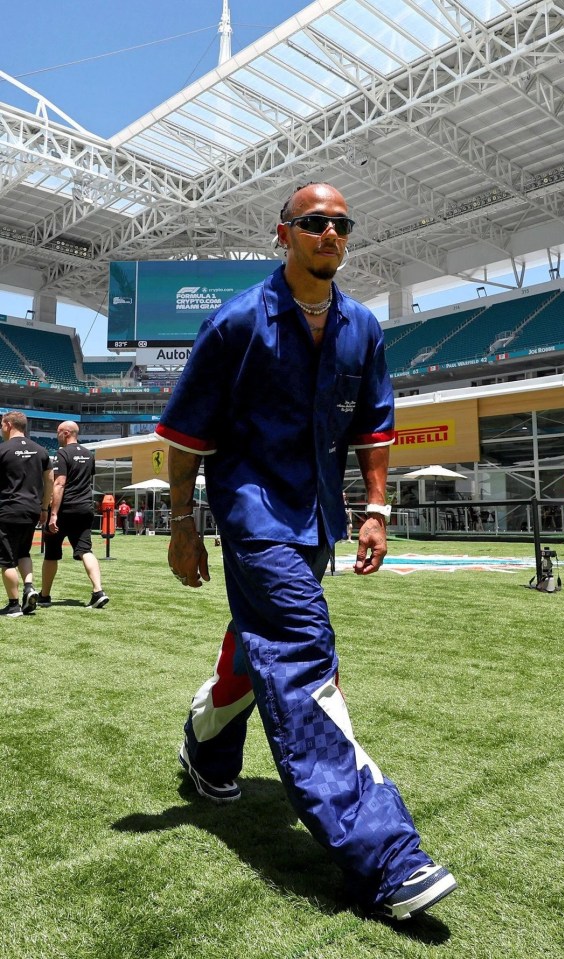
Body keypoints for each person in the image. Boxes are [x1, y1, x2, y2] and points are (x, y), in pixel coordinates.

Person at [157, 182, 456, 921]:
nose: (330, 232)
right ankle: (385, 853)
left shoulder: (360, 326)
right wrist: (183, 523)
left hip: (316, 517)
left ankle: (206, 738)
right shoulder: (232, 323)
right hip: (253, 511)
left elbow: (375, 430)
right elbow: (187, 435)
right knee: (300, 646)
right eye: (315, 222)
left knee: (259, 641)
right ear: (283, 233)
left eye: (340, 224)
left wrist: (376, 508)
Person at [39, 420, 109, 609]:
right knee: (85, 550)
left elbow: (59, 484)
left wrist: (53, 513)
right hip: (85, 508)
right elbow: (87, 481)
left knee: (51, 554)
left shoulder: (62, 454)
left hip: (65, 509)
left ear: (66, 433)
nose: (57, 436)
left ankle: (44, 596)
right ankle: (98, 591)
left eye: (58, 432)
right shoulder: (88, 454)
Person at [0, 411, 54, 617]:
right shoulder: (40, 451)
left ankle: (13, 605)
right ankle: (29, 587)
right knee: (23, 551)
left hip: (8, 509)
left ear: (8, 425)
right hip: (32, 510)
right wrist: (44, 508)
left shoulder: (3, 450)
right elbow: (50, 480)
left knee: (6, 559)